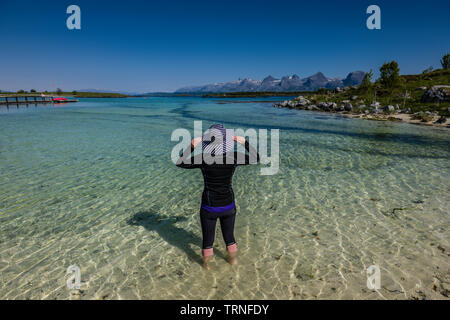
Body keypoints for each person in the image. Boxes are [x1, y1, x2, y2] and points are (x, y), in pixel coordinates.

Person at [176, 124, 260, 269]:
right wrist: (243, 142)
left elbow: (180, 162)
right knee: (229, 237)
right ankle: (232, 260)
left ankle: (206, 265)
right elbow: (256, 158)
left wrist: (191, 145)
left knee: (208, 239)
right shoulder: (234, 157)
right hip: (228, 205)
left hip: (209, 207)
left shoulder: (203, 158)